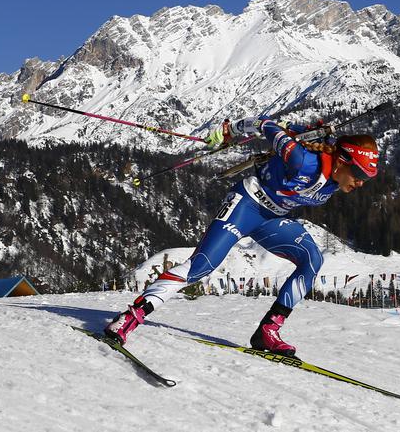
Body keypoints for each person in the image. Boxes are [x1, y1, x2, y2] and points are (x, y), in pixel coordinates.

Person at [104, 112, 379, 357]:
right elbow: (265, 124)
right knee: (202, 266)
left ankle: (267, 333)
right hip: (245, 204)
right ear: (342, 162)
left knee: (311, 259)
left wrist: (304, 126)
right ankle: (130, 317)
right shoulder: (303, 161)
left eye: (366, 178)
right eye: (358, 174)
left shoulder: (335, 179)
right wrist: (231, 130)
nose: (360, 183)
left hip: (271, 218)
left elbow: (294, 132)